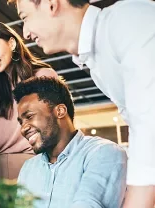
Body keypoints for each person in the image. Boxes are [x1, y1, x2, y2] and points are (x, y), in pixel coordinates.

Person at [9, 0, 155, 206]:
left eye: (25, 17)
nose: (25, 33)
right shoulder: (96, 62)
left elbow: (149, 127)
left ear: (51, 4)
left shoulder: (127, 21)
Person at [14, 76, 127, 208]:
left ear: (60, 111)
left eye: (29, 117)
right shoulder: (29, 168)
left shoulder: (104, 153)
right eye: (21, 122)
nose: (23, 129)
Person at [0, 21, 57, 185]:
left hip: (36, 170)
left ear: (12, 43)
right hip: (0, 175)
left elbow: (60, 128)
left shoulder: (42, 76)